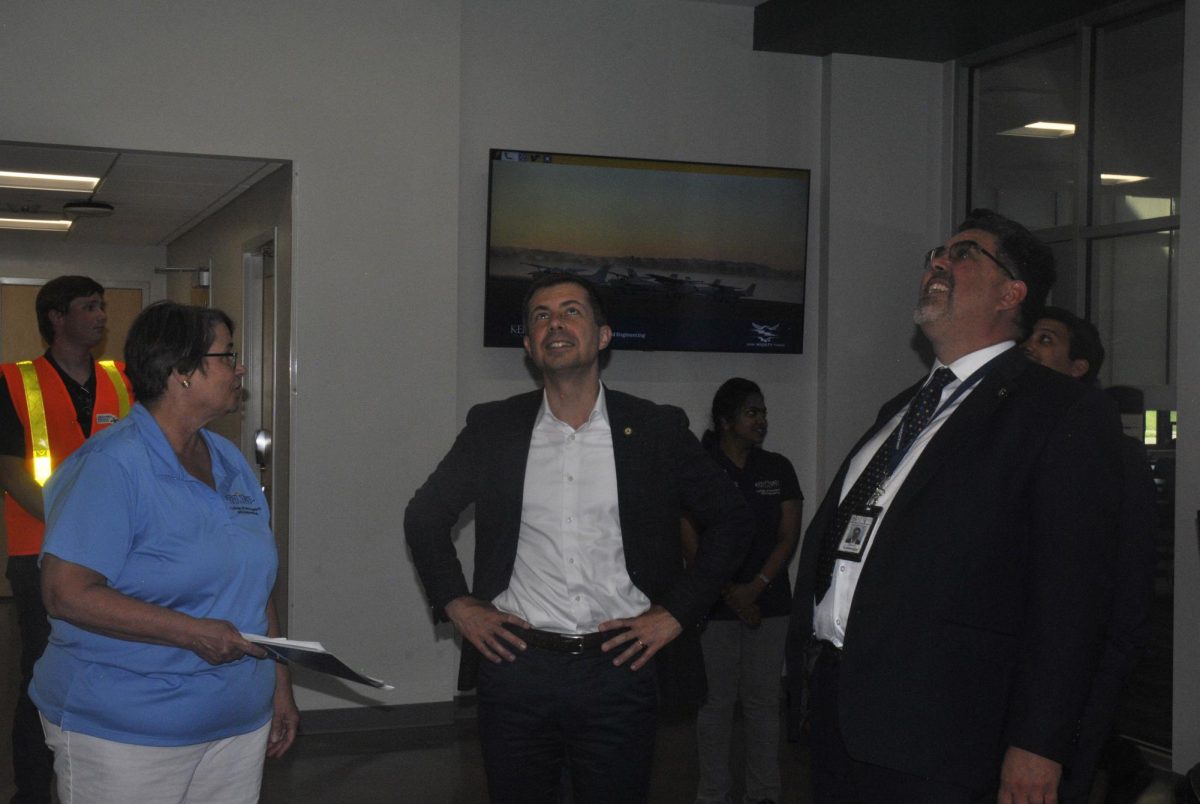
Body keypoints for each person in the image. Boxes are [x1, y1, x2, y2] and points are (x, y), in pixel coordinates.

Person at [787, 209, 1124, 803]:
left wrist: (1039, 742)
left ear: (1011, 293)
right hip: (842, 710)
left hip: (944, 733)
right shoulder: (903, 407)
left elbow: (1072, 599)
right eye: (936, 254)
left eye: (964, 254)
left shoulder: (1056, 411)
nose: (938, 263)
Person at [405, 274, 752, 802]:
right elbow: (424, 515)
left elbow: (733, 519)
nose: (555, 324)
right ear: (528, 345)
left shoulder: (655, 429)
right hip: (516, 669)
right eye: (541, 317)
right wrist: (457, 603)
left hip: (619, 670)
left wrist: (677, 612)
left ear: (604, 336)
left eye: (571, 312)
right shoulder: (494, 429)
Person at [29, 301, 298, 803]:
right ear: (182, 372)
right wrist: (193, 632)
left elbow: (253, 582)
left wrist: (278, 684)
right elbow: (64, 594)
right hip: (125, 730)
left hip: (237, 722)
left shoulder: (228, 460)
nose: (240, 368)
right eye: (228, 355)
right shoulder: (112, 466)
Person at [0, 276, 133, 804]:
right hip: (40, 552)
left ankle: (103, 776)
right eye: (89, 306)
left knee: (112, 662)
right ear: (56, 317)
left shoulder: (123, 378)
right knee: (41, 669)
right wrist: (76, 526)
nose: (101, 316)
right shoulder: (13, 381)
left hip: (119, 555)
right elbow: (12, 475)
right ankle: (32, 789)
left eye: (102, 305)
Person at [1022, 306, 1158, 803]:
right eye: (1029, 337)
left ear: (1079, 368)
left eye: (1046, 340)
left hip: (1089, 661)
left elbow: (1130, 575)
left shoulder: (1116, 455)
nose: (1029, 348)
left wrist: (1107, 670)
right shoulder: (1022, 438)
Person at [685, 378, 801, 804]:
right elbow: (688, 534)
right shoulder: (700, 466)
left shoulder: (778, 468)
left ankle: (764, 794)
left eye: (763, 412)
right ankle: (713, 794)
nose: (761, 420)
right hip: (713, 607)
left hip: (769, 605)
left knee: (764, 705)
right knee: (715, 706)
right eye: (752, 412)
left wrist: (755, 589)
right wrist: (729, 594)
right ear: (725, 420)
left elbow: (788, 537)